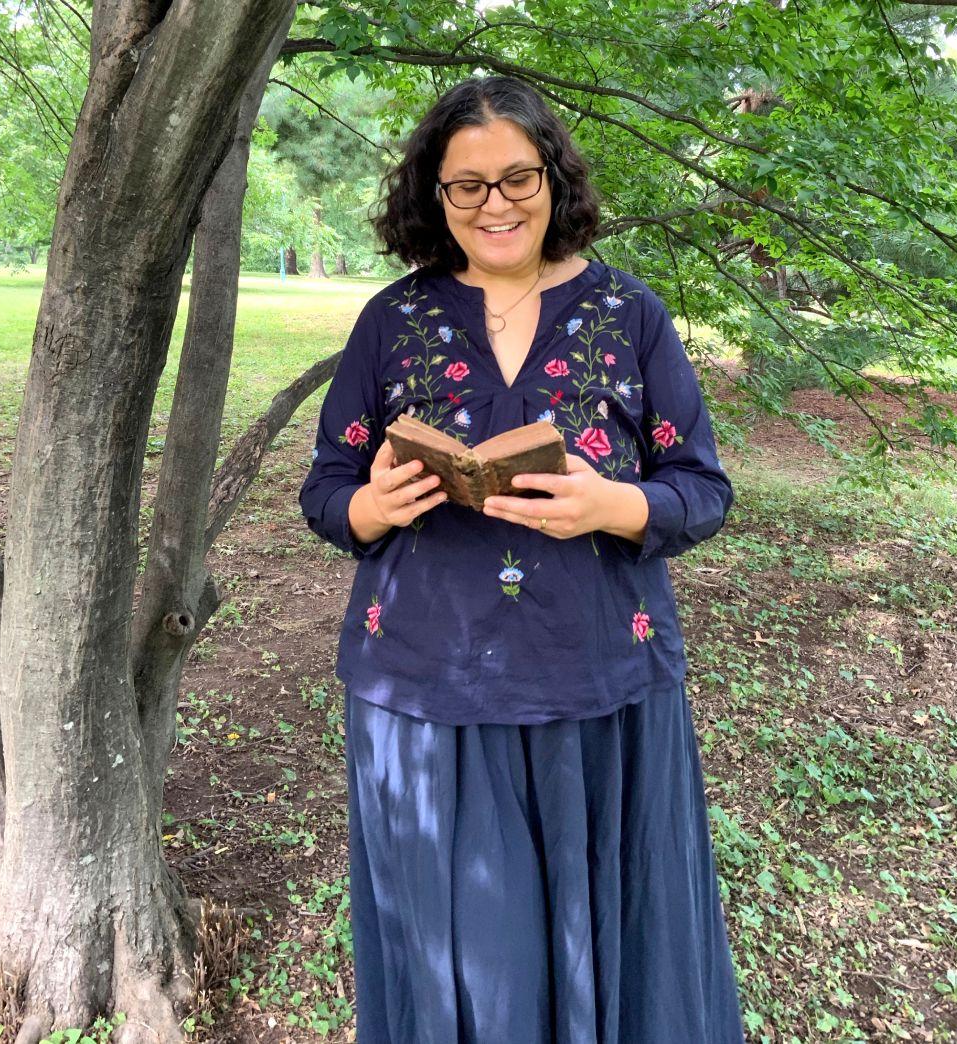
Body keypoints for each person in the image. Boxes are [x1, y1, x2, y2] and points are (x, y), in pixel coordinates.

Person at [298, 74, 745, 1044]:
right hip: (422, 696)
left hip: (598, 688)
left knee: (608, 941)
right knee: (463, 967)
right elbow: (326, 493)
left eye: (516, 178)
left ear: (554, 178)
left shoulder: (631, 314)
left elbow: (702, 488)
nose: (494, 205)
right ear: (434, 195)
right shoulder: (391, 319)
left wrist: (612, 502)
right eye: (467, 186)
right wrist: (371, 505)